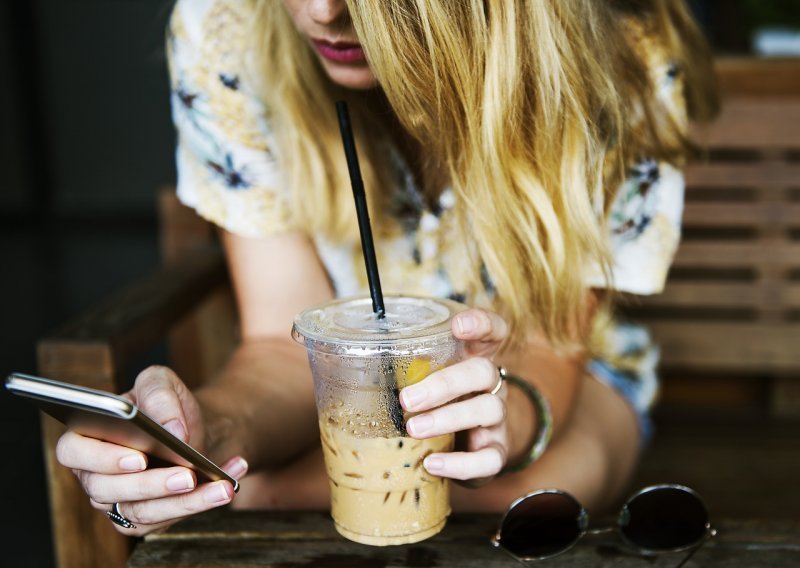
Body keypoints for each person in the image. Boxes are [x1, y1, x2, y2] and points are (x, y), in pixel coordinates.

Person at [56, 0, 718, 536]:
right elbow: (280, 353)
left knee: (521, 498)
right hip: (348, 390)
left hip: (560, 372)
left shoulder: (623, 52)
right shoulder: (226, 33)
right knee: (268, 491)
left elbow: (552, 346)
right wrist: (204, 435)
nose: (322, 11)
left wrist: (500, 422)